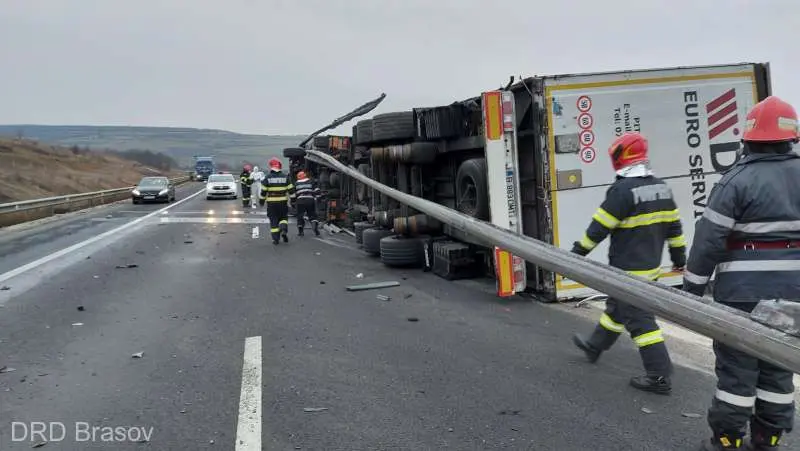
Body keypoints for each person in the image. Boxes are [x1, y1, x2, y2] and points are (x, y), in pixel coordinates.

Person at [684, 96, 800, 451]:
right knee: (778, 366)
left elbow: (708, 242)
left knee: (738, 369)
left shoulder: (736, 181)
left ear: (747, 139)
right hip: (794, 292)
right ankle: (769, 438)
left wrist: (692, 288)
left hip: (742, 293)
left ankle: (727, 440)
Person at [571, 131, 687, 395]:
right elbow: (675, 230)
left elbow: (598, 228)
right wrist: (680, 260)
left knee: (641, 323)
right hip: (650, 270)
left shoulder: (622, 191)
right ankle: (595, 346)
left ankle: (659, 376)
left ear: (621, 157)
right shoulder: (661, 188)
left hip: (627, 272)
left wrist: (576, 254)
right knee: (617, 309)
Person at [259, 158, 295, 244]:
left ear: (271, 167)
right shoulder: (285, 177)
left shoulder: (267, 178)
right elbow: (291, 191)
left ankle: (275, 239)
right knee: (283, 217)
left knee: (273, 220)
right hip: (282, 202)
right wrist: (293, 201)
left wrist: (261, 201)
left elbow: (263, 192)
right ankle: (283, 229)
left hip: (272, 203)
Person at [293, 171, 321, 236]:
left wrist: (293, 202)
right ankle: (314, 225)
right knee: (312, 214)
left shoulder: (296, 183)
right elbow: (317, 190)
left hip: (300, 201)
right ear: (305, 175)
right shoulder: (311, 181)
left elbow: (294, 194)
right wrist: (318, 198)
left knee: (300, 215)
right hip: (310, 200)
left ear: (298, 177)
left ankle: (300, 230)